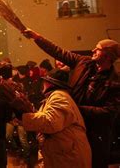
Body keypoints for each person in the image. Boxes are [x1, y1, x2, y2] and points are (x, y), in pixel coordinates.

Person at [23, 29, 120, 168]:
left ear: (108, 56)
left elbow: (109, 113)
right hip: (72, 130)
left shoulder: (115, 83)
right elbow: (58, 51)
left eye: (97, 49)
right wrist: (37, 37)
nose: (93, 50)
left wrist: (77, 110)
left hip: (95, 135)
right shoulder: (84, 63)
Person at [22, 69, 91, 167]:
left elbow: (51, 122)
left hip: (69, 158)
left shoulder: (59, 96)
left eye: (45, 81)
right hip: (64, 155)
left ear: (50, 83)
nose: (43, 84)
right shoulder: (56, 96)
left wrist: (24, 117)